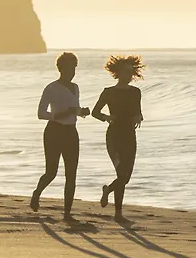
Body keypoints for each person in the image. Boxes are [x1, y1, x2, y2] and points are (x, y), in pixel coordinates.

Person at [31, 51, 88, 221]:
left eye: (75, 68)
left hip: (71, 132)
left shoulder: (76, 88)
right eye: (70, 68)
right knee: (51, 172)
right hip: (54, 131)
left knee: (71, 174)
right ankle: (37, 193)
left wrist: (82, 112)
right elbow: (41, 113)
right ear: (61, 68)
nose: (72, 72)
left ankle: (67, 213)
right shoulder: (51, 88)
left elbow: (73, 110)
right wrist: (60, 115)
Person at [92, 54, 145, 221]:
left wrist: (139, 117)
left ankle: (108, 190)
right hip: (114, 136)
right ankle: (118, 214)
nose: (129, 75)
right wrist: (106, 118)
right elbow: (95, 112)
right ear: (118, 73)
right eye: (126, 72)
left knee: (126, 177)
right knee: (121, 173)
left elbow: (138, 113)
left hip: (130, 136)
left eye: (131, 72)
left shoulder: (136, 92)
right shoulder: (109, 92)